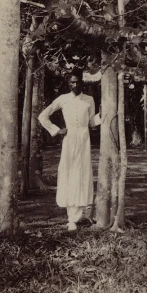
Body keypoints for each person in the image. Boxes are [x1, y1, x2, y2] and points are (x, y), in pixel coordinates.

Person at [38, 70, 102, 231]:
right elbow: (43, 116)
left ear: (82, 82)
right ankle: (71, 218)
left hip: (84, 139)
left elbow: (92, 122)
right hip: (69, 139)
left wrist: (105, 111)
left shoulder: (89, 99)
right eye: (72, 82)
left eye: (77, 81)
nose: (75, 85)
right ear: (68, 84)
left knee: (83, 173)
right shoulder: (63, 99)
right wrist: (57, 130)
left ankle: (80, 214)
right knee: (70, 173)